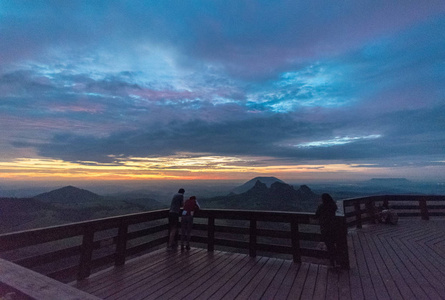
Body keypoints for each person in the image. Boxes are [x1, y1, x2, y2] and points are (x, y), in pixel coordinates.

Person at [314, 193, 338, 267]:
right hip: (333, 228)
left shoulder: (321, 207)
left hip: (325, 228)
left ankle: (332, 262)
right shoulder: (333, 206)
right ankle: (336, 261)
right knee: (333, 244)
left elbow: (316, 215)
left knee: (329, 245)